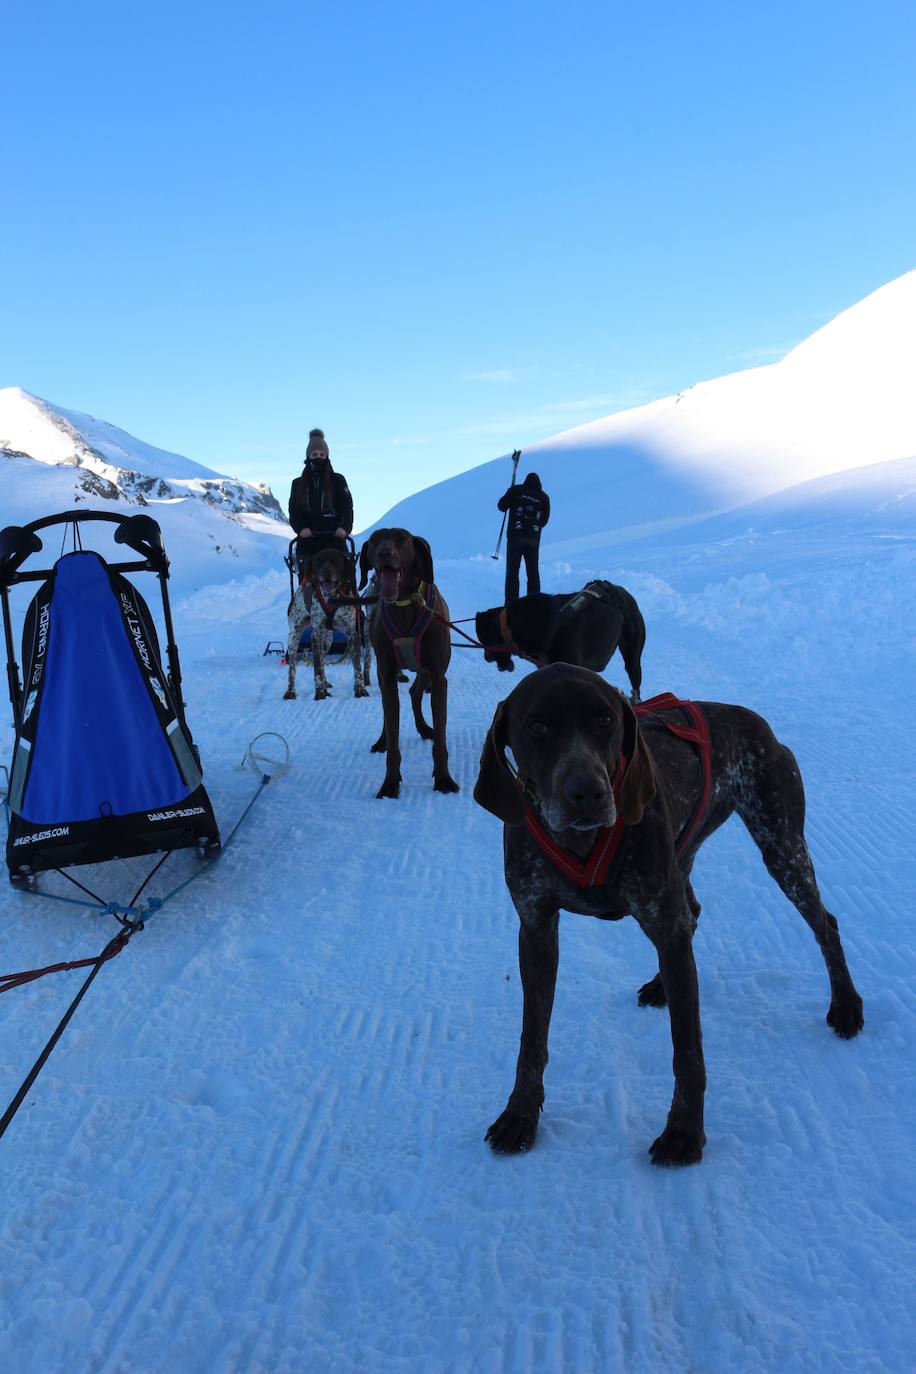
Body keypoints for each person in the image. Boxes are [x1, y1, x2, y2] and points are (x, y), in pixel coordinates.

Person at [288, 429, 354, 573]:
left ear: (327, 456)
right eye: (315, 454)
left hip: (334, 536)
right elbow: (294, 510)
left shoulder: (338, 480)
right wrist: (301, 528)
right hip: (308, 538)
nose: (318, 457)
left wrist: (344, 527)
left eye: (322, 454)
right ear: (308, 457)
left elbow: (346, 507)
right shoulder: (298, 484)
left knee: (345, 571)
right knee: (306, 572)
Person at [497, 471, 550, 602]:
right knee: (533, 572)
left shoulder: (516, 490)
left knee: (512, 572)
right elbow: (544, 521)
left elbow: (501, 506)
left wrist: (510, 493)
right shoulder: (544, 497)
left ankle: (511, 603)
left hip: (515, 538)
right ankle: (533, 603)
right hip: (533, 540)